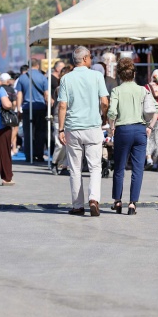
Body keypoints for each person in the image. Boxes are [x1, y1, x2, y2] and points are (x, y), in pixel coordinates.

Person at [58, 46, 109, 217]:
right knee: (95, 166)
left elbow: (62, 105)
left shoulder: (66, 79)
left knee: (75, 168)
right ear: (86, 58)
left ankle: (78, 205)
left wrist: (61, 128)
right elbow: (104, 101)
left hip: (73, 127)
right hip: (93, 126)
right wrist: (103, 117)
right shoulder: (97, 76)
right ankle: (94, 199)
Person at [107, 58, 158, 216]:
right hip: (140, 130)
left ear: (120, 75)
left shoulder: (117, 90)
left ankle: (117, 200)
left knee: (119, 167)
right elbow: (156, 108)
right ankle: (132, 203)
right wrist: (149, 127)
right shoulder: (143, 90)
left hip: (123, 130)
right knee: (138, 169)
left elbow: (112, 112)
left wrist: (111, 127)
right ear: (134, 74)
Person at [16, 58, 49, 162]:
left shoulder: (22, 78)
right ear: (38, 65)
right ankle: (39, 154)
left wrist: (18, 109)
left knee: (28, 132)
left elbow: (19, 95)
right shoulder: (43, 77)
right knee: (40, 132)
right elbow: (46, 94)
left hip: (27, 108)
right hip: (40, 107)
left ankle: (28, 155)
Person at [51, 65, 73, 174]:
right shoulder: (59, 88)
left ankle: (65, 166)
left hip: (70, 118)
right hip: (58, 118)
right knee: (60, 144)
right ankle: (54, 162)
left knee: (68, 144)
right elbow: (62, 105)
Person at [0, 73, 19, 156]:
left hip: (0, 112)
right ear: (7, 80)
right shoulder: (11, 89)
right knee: (14, 129)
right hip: (9, 112)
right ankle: (12, 146)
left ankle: (11, 147)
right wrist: (13, 110)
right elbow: (14, 102)